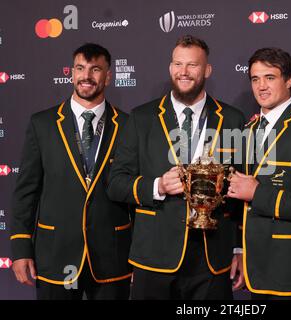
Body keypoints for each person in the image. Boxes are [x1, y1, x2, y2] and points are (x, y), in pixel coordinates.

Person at [107, 35, 245, 300]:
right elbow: (116, 183)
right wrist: (157, 186)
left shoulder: (232, 118)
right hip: (155, 254)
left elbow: (240, 190)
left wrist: (238, 247)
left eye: (192, 65)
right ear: (170, 68)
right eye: (178, 64)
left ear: (207, 70)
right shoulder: (142, 118)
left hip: (212, 255)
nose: (184, 72)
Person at [10, 43, 132, 300]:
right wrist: (21, 248)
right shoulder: (42, 124)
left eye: (95, 69)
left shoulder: (128, 125)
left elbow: (134, 193)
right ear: (71, 72)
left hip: (113, 257)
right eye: (80, 68)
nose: (86, 76)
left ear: (108, 76)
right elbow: (26, 192)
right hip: (56, 254)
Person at [227, 47, 291, 300]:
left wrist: (257, 193)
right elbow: (242, 202)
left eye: (270, 77)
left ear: (289, 80)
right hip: (256, 267)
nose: (261, 86)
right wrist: (240, 249)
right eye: (255, 79)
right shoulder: (248, 131)